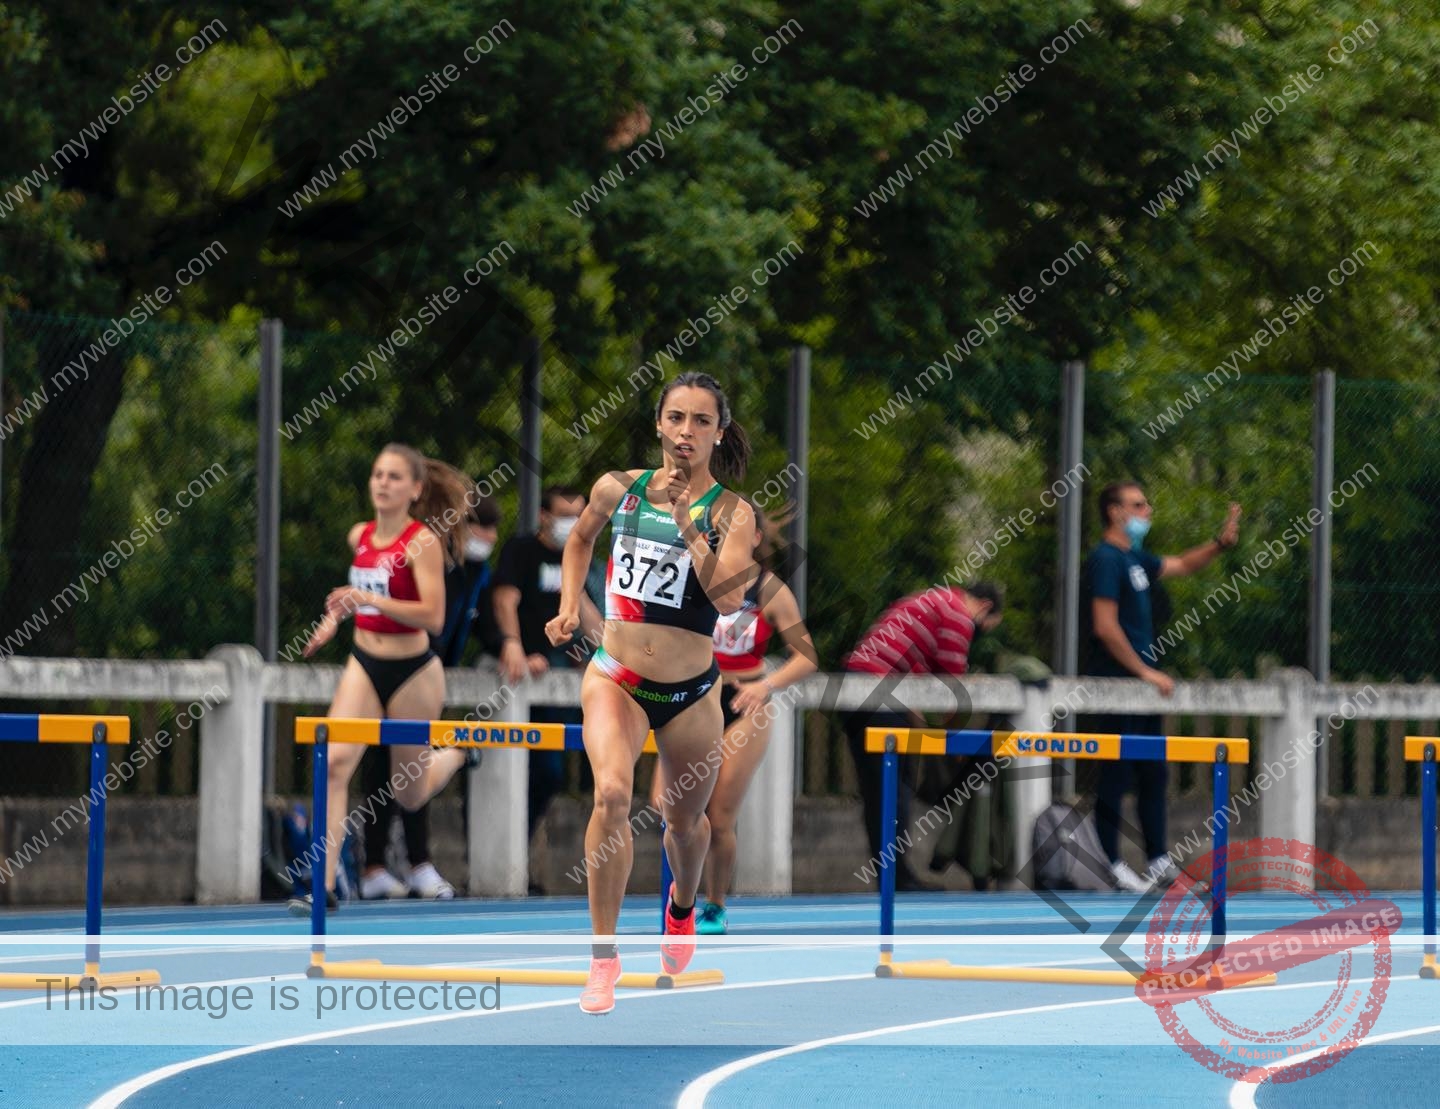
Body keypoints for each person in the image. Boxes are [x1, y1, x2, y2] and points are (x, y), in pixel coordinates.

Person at [544, 371, 756, 1015]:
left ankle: (683, 909)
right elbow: (579, 538)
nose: (686, 432)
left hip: (692, 691)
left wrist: (689, 523)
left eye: (700, 421)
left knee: (684, 825)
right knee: (611, 794)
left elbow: (727, 599)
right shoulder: (618, 487)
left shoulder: (732, 512)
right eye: (675, 419)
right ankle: (603, 959)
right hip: (617, 676)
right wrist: (566, 607)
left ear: (719, 433)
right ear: (658, 425)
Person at [292, 443, 476, 913]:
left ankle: (457, 754)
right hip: (364, 661)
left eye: (395, 477)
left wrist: (363, 598)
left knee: (407, 790)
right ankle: (324, 883)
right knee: (333, 764)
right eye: (377, 474)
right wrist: (332, 621)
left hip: (414, 670)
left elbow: (433, 617)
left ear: (415, 489)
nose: (383, 483)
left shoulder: (421, 542)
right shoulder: (360, 535)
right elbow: (350, 599)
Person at [650, 500, 817, 934]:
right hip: (693, 696)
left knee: (720, 815)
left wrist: (766, 686)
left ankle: (714, 905)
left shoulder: (770, 590)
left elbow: (806, 657)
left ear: (755, 539)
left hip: (745, 703)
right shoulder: (691, 576)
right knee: (664, 806)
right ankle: (680, 894)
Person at [1081, 480, 1241, 894]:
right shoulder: (1105, 560)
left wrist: (1219, 544)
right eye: (1137, 504)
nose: (1147, 510)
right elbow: (1105, 625)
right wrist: (1144, 671)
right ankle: (1110, 861)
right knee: (1116, 771)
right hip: (1119, 684)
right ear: (1115, 512)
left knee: (1154, 771)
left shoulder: (1135, 559)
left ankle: (1157, 862)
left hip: (1143, 687)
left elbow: (1183, 565)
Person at [357, 496, 501, 900]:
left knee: (407, 766)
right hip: (399, 664)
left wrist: (508, 643)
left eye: (491, 532)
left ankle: (415, 863)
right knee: (381, 763)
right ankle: (377, 865)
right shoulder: (433, 559)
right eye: (477, 529)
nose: (484, 539)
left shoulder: (478, 572)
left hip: (426, 673)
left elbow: (483, 623)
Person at [842, 582, 1004, 890]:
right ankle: (898, 878)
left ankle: (892, 877)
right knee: (895, 791)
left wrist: (927, 733)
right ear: (983, 606)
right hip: (877, 696)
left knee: (879, 791)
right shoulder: (957, 614)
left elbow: (908, 679)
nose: (978, 632)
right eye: (985, 626)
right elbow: (953, 691)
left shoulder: (929, 601)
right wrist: (951, 739)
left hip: (859, 690)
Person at [494, 486, 606, 842]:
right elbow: (504, 599)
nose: (572, 524)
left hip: (561, 678)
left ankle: (521, 842)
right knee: (508, 767)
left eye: (578, 517)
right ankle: (504, 847)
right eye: (564, 516)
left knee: (550, 771)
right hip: (518, 672)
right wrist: (512, 645)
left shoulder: (591, 560)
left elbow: (600, 633)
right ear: (544, 515)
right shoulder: (522, 550)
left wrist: (578, 590)